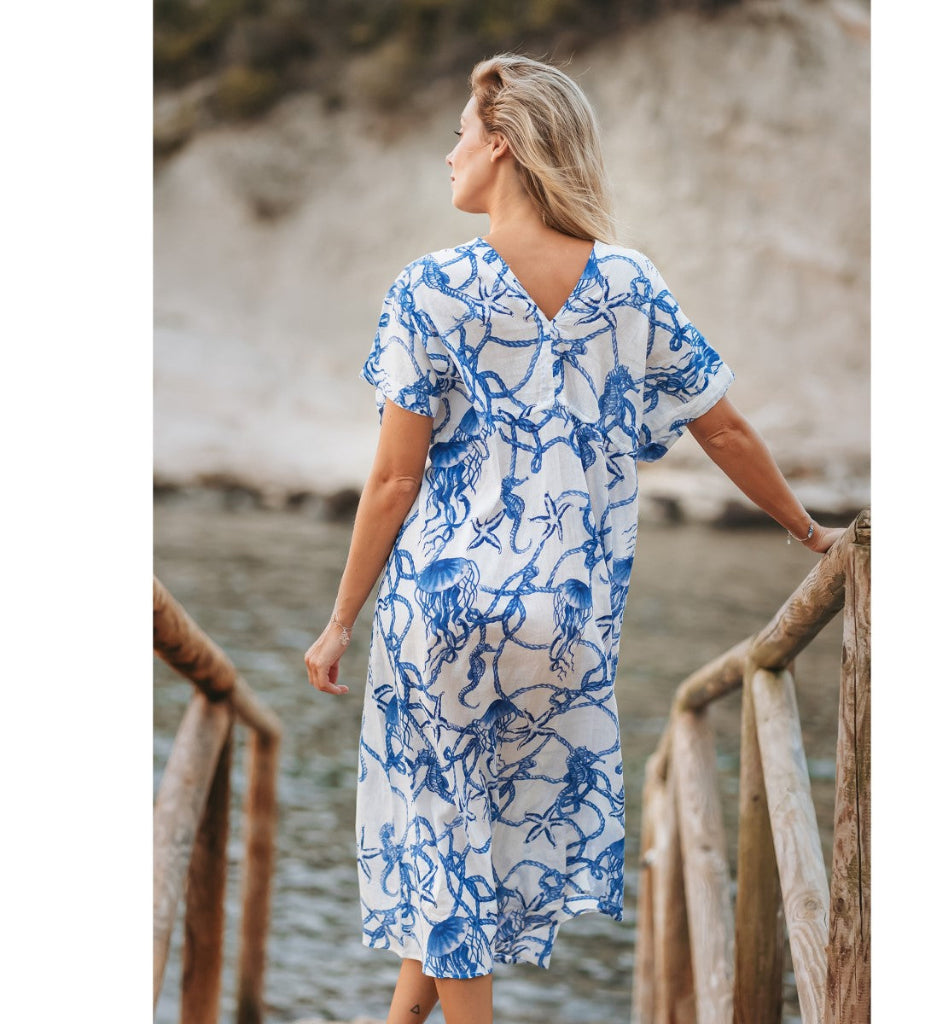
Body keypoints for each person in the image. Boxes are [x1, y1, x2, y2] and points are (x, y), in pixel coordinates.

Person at [304, 53, 843, 1024]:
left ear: (503, 145)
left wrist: (341, 618)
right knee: (470, 849)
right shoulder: (629, 283)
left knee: (443, 839)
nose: (449, 155)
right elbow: (722, 428)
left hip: (443, 609)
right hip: (567, 623)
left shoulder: (431, 286)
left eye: (461, 135)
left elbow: (393, 480)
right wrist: (808, 531)